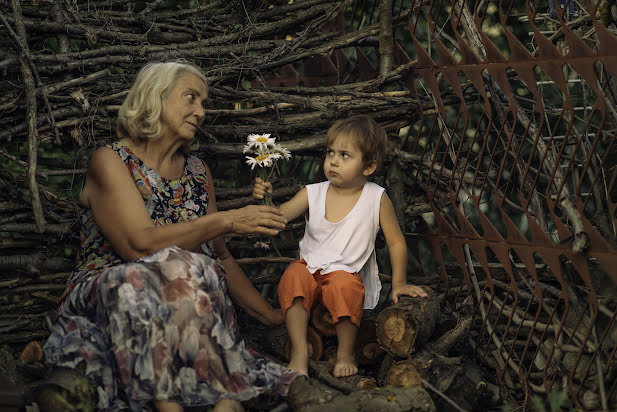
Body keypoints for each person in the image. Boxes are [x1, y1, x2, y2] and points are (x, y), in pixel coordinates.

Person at [43, 61, 301, 412]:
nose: (201, 111)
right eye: (191, 98)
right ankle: (208, 400)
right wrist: (226, 220)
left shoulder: (197, 172)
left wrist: (269, 315)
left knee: (199, 266)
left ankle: (211, 401)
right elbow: (139, 245)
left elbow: (222, 258)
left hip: (189, 308)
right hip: (114, 295)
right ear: (155, 98)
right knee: (183, 262)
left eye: (204, 103)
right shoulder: (111, 160)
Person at [253, 115, 428, 378]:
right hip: (310, 270)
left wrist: (399, 284)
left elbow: (396, 242)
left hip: (346, 273)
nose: (333, 161)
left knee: (344, 286)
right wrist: (264, 200)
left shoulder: (375, 197)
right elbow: (279, 217)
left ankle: (346, 352)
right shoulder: (313, 192)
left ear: (368, 166)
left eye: (345, 155)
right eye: (330, 152)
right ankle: (300, 350)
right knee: (293, 275)